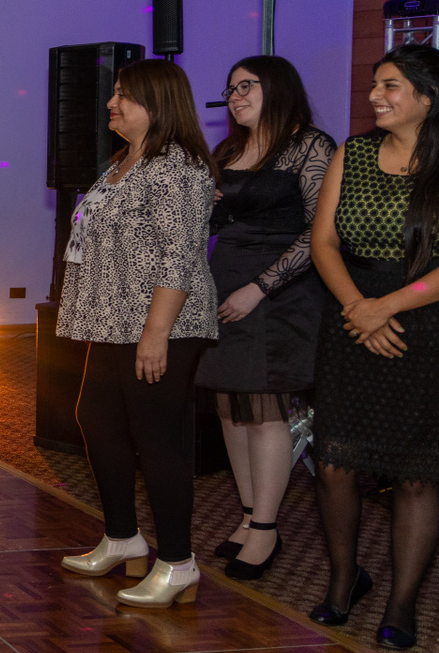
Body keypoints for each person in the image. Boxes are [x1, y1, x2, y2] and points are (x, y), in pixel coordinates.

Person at [308, 46, 439, 651]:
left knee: (415, 473)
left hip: (433, 324)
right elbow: (323, 243)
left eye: (390, 86)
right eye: (374, 85)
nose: (374, 97)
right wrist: (359, 306)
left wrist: (388, 307)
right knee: (334, 463)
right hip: (353, 315)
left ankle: (402, 602)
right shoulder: (350, 153)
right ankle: (342, 581)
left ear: (428, 98)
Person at [56, 59, 218, 609]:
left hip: (160, 324)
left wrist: (156, 333)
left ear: (157, 103)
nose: (111, 103)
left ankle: (178, 563)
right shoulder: (124, 162)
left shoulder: (178, 167)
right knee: (97, 421)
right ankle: (123, 537)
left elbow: (179, 258)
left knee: (158, 440)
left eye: (124, 95)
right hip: (112, 321)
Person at [194, 58, 335, 579]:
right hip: (226, 278)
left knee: (262, 407)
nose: (234, 96)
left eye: (245, 86)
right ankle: (250, 515)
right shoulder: (229, 151)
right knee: (230, 407)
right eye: (230, 89)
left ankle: (267, 528)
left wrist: (260, 288)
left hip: (281, 289)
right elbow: (211, 222)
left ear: (276, 87)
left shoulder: (311, 145)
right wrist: (202, 203)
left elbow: (320, 231)